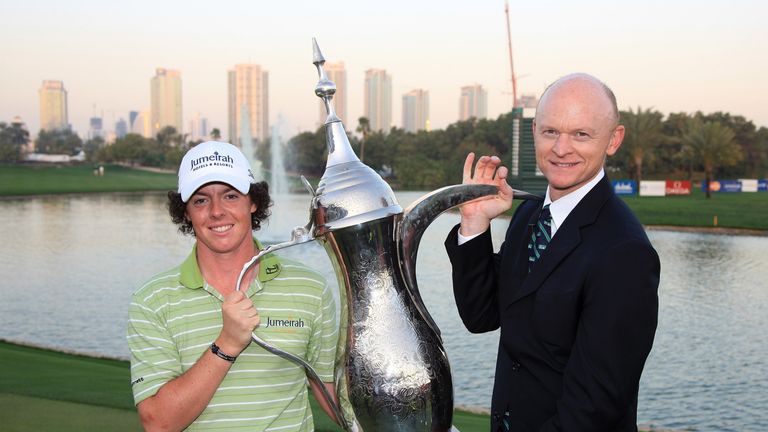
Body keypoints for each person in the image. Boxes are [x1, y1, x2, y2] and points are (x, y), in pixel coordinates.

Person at [445, 73, 660, 431]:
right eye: (551, 132)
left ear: (613, 140)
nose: (562, 149)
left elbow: (593, 407)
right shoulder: (529, 215)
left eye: (581, 134)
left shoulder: (625, 252)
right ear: (534, 132)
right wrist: (475, 223)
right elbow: (480, 315)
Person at [127, 141, 339, 431]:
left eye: (230, 196)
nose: (217, 211)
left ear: (253, 202)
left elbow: (330, 392)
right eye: (201, 200)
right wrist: (227, 343)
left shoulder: (310, 288)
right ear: (186, 212)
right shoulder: (152, 300)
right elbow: (159, 423)